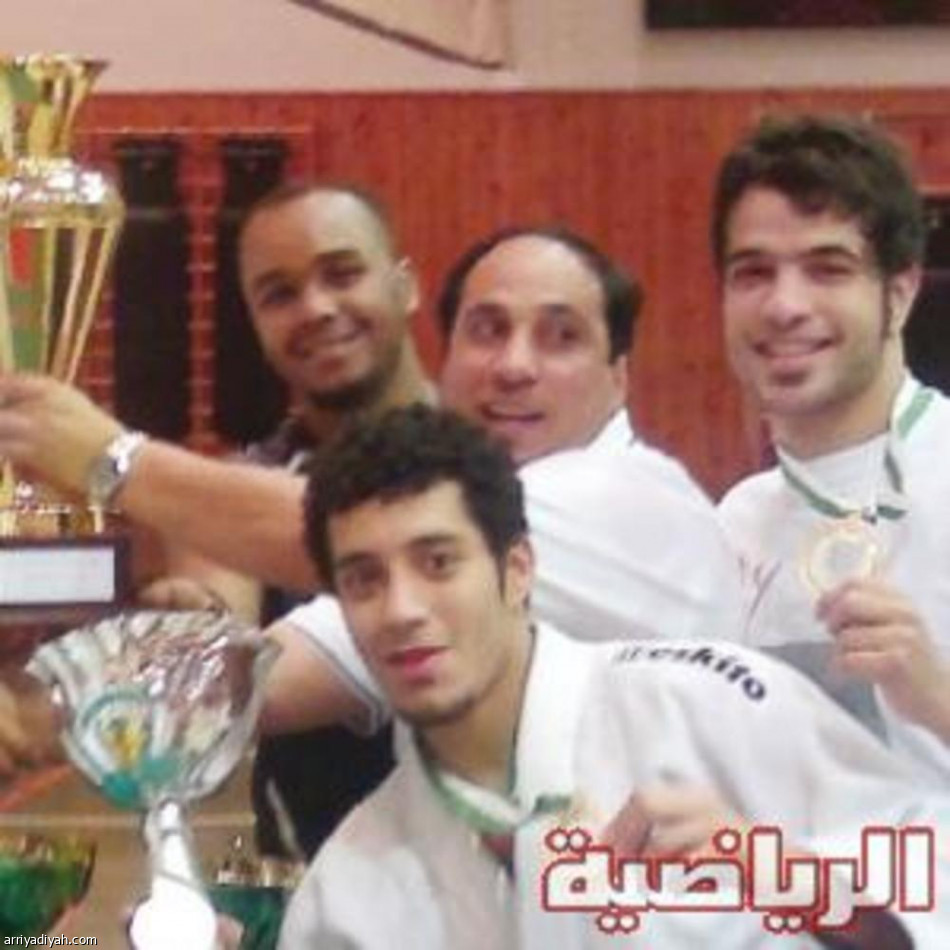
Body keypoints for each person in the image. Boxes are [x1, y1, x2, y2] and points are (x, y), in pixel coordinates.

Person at [0, 225, 743, 763]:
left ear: (619, 378)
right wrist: (38, 712)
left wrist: (109, 459)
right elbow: (266, 676)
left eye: (561, 337)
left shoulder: (636, 504)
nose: (514, 366)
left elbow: (349, 531)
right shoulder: (439, 575)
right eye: (487, 331)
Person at [279, 404, 948, 950]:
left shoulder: (708, 703)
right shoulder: (345, 896)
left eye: (438, 563)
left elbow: (932, 877)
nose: (401, 609)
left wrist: (801, 882)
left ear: (517, 570)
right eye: (364, 580)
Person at [159, 181, 426, 858]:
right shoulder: (237, 490)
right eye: (279, 294)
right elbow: (214, 638)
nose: (316, 308)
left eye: (342, 273)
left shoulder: (507, 467)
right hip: (312, 894)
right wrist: (188, 626)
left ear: (405, 287)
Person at [714, 114, 950, 787]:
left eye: (827, 269)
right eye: (753, 273)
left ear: (899, 294)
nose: (784, 306)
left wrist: (937, 699)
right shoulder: (734, 523)